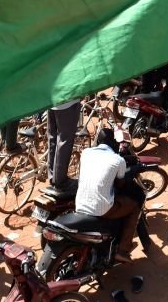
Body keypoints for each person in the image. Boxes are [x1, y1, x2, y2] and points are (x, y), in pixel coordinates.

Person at [75, 127, 140, 263]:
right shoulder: (118, 160)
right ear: (115, 143)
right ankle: (122, 250)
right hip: (101, 209)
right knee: (134, 207)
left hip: (80, 203)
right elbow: (120, 184)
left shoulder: (86, 153)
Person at [47, 99, 81, 192]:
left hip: (52, 102)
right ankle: (60, 181)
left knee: (52, 139)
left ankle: (53, 176)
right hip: (67, 103)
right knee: (64, 141)